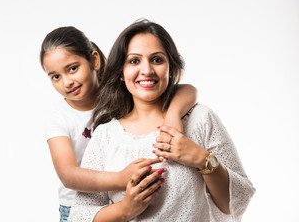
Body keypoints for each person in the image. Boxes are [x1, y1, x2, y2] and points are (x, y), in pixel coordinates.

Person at [68, 20, 255, 221]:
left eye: (157, 60)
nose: (147, 70)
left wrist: (202, 159)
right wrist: (125, 209)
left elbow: (236, 202)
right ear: (121, 72)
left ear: (170, 67)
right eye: (134, 61)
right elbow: (79, 216)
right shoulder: (106, 136)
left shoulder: (200, 119)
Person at [39, 26, 198, 221]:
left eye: (73, 69)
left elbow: (186, 90)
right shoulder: (59, 119)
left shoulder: (119, 92)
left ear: (94, 60)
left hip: (121, 197)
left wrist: (173, 114)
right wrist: (121, 178)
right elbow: (68, 176)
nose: (67, 82)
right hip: (80, 207)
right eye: (56, 77)